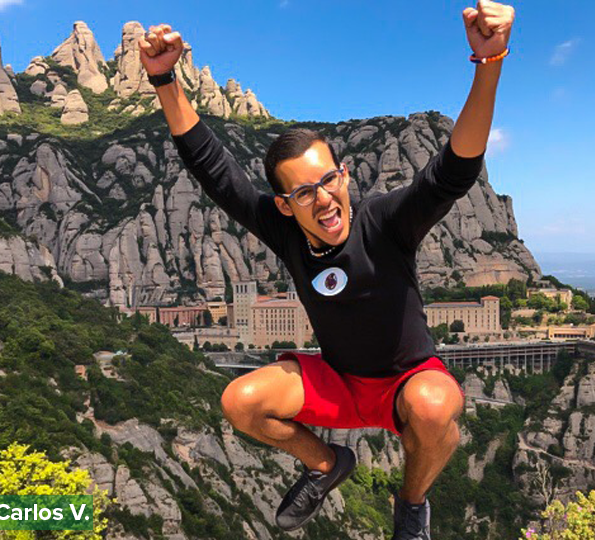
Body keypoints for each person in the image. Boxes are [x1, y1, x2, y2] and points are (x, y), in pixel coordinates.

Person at [138, 2, 514, 538]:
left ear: (343, 173)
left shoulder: (385, 221)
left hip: (409, 380)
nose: (325, 199)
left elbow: (453, 171)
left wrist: (490, 60)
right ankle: (326, 464)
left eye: (330, 179)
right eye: (304, 192)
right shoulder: (284, 229)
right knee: (239, 401)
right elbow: (213, 170)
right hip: (337, 381)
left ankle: (410, 507)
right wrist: (164, 78)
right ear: (286, 204)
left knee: (435, 409)